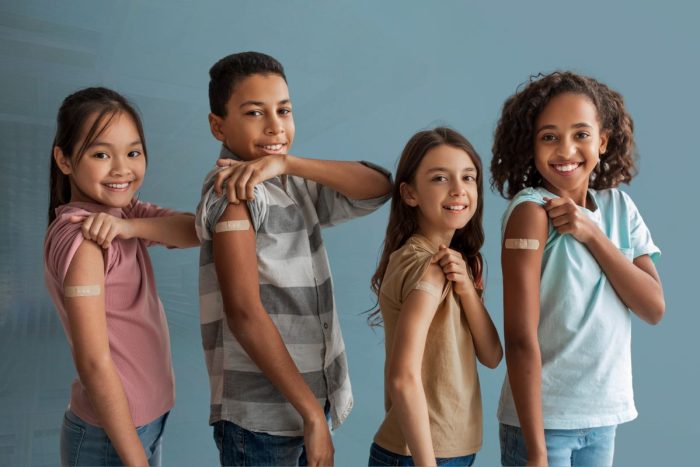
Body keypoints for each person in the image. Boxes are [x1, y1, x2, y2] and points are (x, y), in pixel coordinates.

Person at [195, 51, 392, 466]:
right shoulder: (234, 193)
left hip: (306, 406)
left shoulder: (290, 182)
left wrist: (286, 161)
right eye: (254, 112)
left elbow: (378, 187)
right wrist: (310, 416)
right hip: (263, 421)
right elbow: (244, 313)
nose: (274, 126)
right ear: (218, 125)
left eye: (283, 110)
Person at [490, 71, 665, 466]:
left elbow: (653, 307)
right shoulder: (531, 213)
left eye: (581, 134)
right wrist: (535, 451)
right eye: (549, 136)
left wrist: (593, 235)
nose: (566, 150)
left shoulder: (621, 209)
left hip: (603, 418)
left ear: (602, 141)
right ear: (530, 146)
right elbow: (519, 338)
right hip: (543, 424)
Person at [44, 87, 198, 466]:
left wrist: (131, 229)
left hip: (143, 424)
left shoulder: (124, 215)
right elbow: (94, 363)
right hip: (113, 438)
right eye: (100, 154)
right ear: (64, 160)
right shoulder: (86, 241)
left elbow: (196, 230)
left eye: (133, 152)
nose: (121, 169)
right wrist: (135, 460)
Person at [368, 127, 502, 467]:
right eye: (441, 178)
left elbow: (491, 355)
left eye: (468, 178)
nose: (459, 189)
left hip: (455, 449)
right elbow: (403, 377)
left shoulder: (456, 263)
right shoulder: (425, 265)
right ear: (410, 193)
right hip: (421, 455)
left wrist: (468, 289)